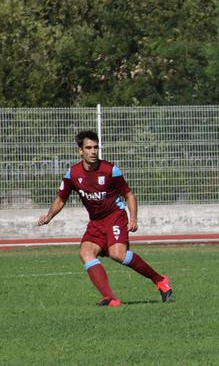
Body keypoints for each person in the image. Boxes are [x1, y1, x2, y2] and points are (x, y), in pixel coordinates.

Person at [37, 131, 172, 307]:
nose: (93, 151)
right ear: (80, 151)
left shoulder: (110, 170)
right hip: (96, 222)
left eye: (95, 147)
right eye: (88, 148)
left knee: (117, 254)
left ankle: (160, 280)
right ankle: (110, 298)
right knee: (86, 252)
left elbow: (129, 195)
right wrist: (49, 216)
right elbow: (61, 199)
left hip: (115, 217)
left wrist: (134, 219)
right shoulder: (73, 174)